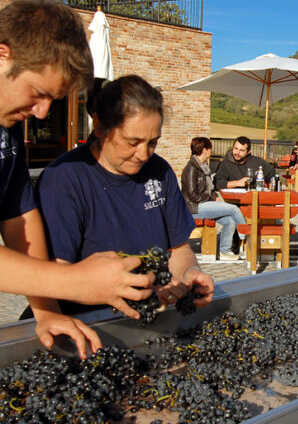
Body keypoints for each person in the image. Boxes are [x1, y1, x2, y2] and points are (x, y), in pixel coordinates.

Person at [0, 0, 154, 358]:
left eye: (52, 100)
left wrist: (45, 309)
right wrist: (74, 282)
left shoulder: (9, 133)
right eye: (38, 94)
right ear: (2, 53)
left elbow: (19, 219)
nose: (40, 114)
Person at [36, 75, 214, 318]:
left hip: (148, 317)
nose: (143, 154)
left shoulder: (159, 171)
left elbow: (179, 249)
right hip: (84, 320)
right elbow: (54, 275)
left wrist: (190, 272)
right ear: (99, 127)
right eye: (133, 142)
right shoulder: (64, 180)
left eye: (153, 142)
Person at [181, 137, 246, 260]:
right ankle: (246, 242)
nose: (211, 151)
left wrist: (215, 197)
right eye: (210, 148)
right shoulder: (191, 168)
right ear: (205, 150)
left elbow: (209, 189)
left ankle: (224, 252)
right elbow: (192, 195)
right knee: (233, 209)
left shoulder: (203, 167)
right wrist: (212, 200)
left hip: (202, 205)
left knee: (229, 221)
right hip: (194, 208)